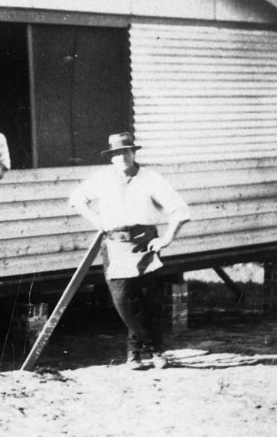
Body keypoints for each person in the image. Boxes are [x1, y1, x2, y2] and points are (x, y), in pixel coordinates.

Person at [68, 131, 190, 368]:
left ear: (134, 152)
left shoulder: (151, 178)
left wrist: (167, 238)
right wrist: (98, 221)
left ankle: (134, 355)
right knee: (123, 299)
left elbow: (179, 210)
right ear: (110, 157)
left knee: (144, 301)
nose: (121, 156)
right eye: (116, 153)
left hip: (144, 243)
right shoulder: (102, 178)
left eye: (126, 151)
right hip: (114, 245)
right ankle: (156, 351)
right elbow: (76, 199)